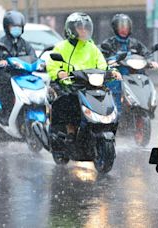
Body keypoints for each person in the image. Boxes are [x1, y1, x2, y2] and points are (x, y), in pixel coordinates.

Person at [46, 12, 121, 155]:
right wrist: (59, 73)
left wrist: (111, 72)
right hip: (70, 84)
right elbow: (52, 64)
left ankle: (104, 126)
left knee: (106, 97)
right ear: (71, 30)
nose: (84, 31)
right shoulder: (61, 47)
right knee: (69, 101)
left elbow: (102, 64)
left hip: (90, 84)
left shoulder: (92, 47)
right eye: (80, 28)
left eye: (86, 28)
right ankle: (70, 131)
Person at [100, 13, 158, 113]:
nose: (124, 30)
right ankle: (116, 112)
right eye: (121, 27)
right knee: (115, 84)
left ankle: (147, 106)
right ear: (115, 28)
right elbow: (102, 56)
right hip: (118, 74)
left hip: (135, 74)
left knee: (145, 81)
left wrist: (150, 61)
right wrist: (111, 61)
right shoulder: (109, 43)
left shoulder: (135, 43)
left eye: (126, 27)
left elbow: (146, 53)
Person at [0, 10, 36, 126]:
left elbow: (33, 58)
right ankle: (6, 115)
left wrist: (39, 63)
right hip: (4, 77)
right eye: (13, 26)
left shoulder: (25, 45)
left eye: (19, 26)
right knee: (6, 84)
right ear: (6, 27)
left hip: (22, 78)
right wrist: (0, 62)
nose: (16, 29)